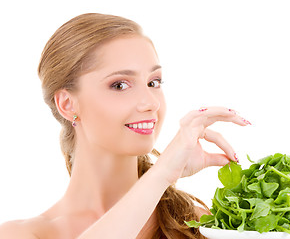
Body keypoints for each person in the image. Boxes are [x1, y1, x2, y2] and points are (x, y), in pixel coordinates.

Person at [0, 13, 251, 239]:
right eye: (120, 85)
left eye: (154, 82)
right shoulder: (21, 234)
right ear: (67, 104)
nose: (150, 103)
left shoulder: (194, 222)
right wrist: (162, 173)